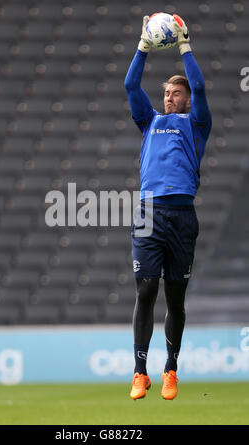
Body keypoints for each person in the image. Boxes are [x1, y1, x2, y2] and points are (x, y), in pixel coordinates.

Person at [124, 15, 212, 400]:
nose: (169, 97)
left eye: (176, 94)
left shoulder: (196, 125)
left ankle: (171, 369)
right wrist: (144, 44)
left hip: (181, 217)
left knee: (175, 298)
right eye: (167, 94)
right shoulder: (149, 122)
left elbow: (200, 84)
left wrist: (184, 43)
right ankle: (139, 372)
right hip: (147, 214)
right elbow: (130, 84)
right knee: (145, 291)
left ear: (187, 100)